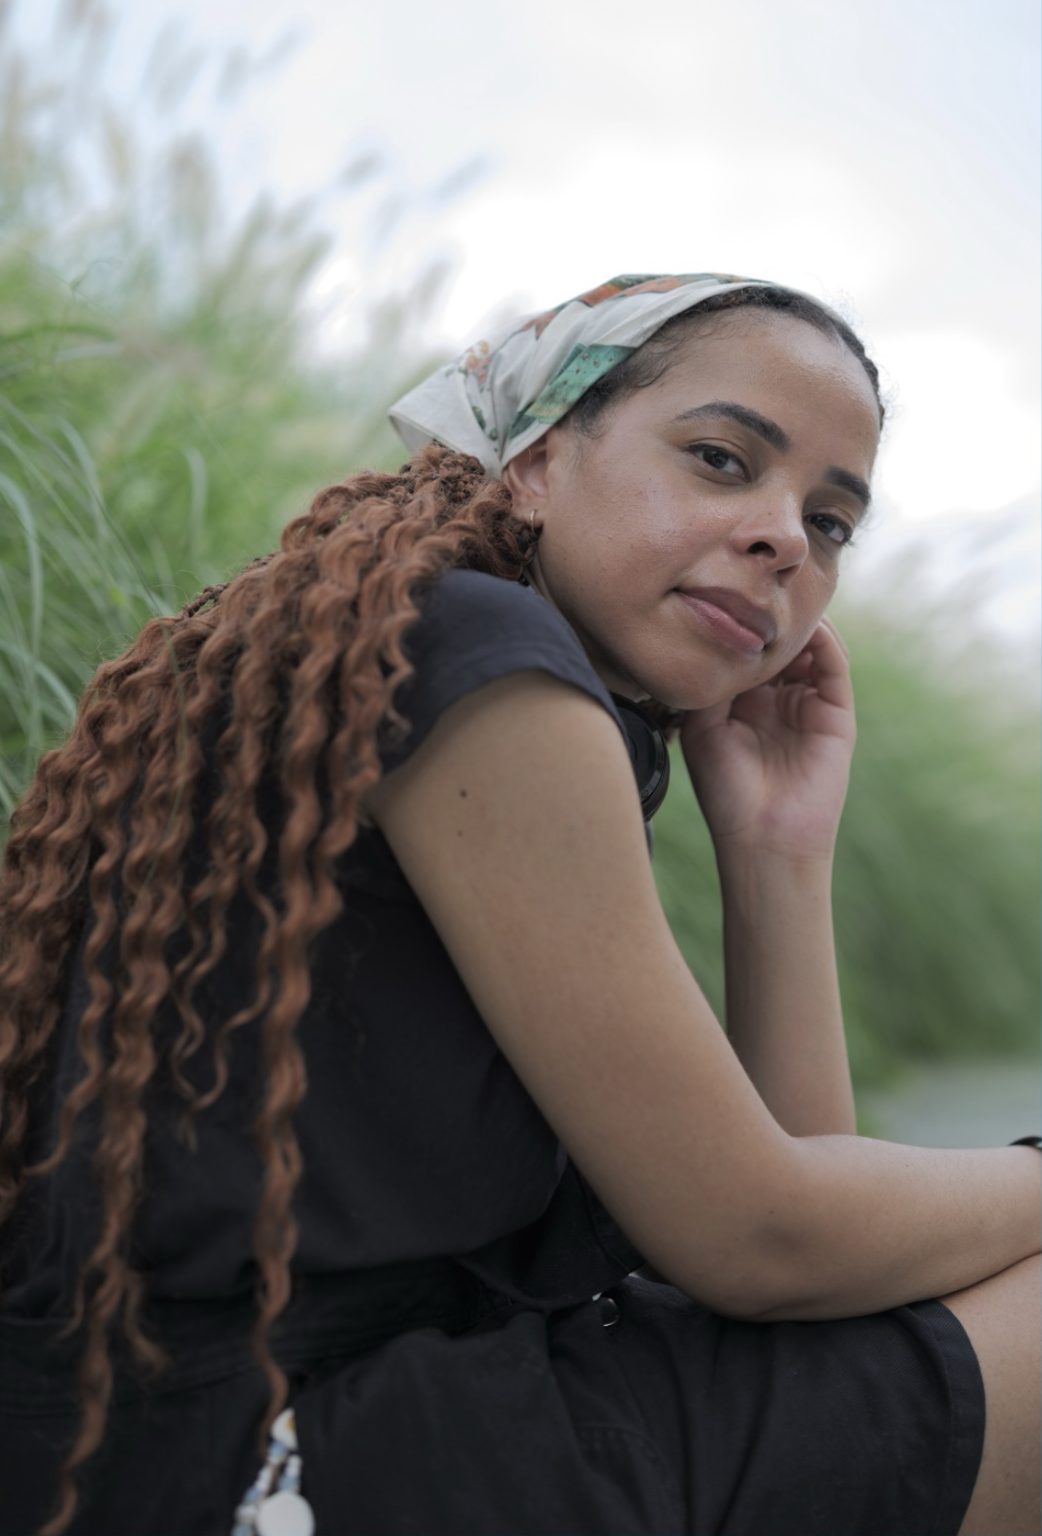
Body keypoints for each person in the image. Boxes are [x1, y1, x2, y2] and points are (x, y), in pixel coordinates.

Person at [0, 273, 1038, 1536]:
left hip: (217, 1442)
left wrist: (777, 855)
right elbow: (763, 1242)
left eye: (830, 523)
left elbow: (811, 1252)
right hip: (267, 1465)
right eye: (721, 459)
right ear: (537, 463)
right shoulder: (486, 663)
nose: (783, 537)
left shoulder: (452, 657)